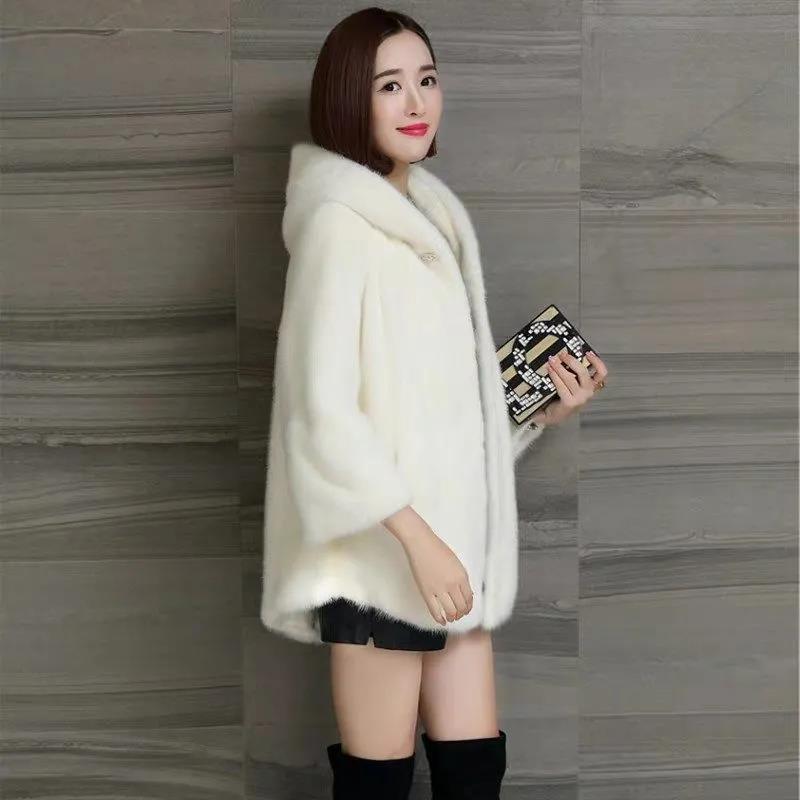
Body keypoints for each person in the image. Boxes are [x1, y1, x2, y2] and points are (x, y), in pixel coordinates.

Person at [259, 7, 609, 798]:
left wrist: (538, 411)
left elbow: (438, 424)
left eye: (427, 78)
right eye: (389, 85)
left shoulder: (431, 218)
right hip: (381, 562)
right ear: (349, 98)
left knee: (473, 772)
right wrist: (419, 543)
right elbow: (322, 414)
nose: (417, 102)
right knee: (378, 786)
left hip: (447, 556)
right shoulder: (338, 228)